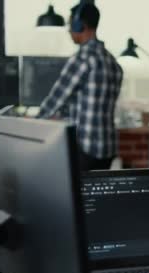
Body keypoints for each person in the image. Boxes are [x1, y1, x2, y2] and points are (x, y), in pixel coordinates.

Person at [38, 2, 123, 171]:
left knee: (71, 193)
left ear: (79, 25)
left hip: (86, 147)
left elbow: (56, 98)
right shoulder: (113, 62)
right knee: (94, 194)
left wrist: (34, 122)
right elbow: (91, 102)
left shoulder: (83, 58)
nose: (69, 30)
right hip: (107, 147)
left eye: (70, 25)